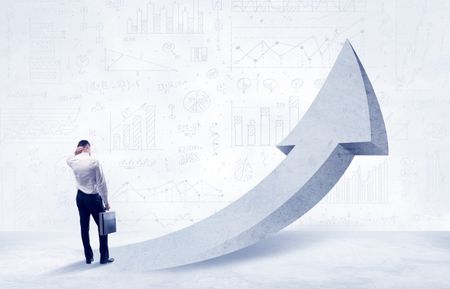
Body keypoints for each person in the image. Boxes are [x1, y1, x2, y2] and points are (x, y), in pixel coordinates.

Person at [66, 140, 114, 265]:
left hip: (80, 198)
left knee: (84, 227)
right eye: (90, 148)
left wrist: (76, 152)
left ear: (79, 148)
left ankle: (89, 257)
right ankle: (104, 258)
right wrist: (106, 202)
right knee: (103, 228)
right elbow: (102, 184)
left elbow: (68, 158)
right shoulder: (94, 162)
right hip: (93, 198)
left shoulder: (72, 161)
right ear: (87, 147)